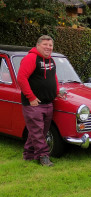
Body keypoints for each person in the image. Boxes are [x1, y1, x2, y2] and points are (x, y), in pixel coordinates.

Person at [17, 35, 60, 167]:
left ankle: (28, 155)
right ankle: (44, 156)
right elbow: (21, 78)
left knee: (38, 132)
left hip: (48, 103)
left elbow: (54, 78)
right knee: (37, 131)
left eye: (50, 45)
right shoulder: (31, 58)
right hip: (33, 104)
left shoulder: (51, 60)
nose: (48, 47)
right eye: (45, 45)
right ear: (38, 45)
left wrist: (57, 92)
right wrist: (31, 97)